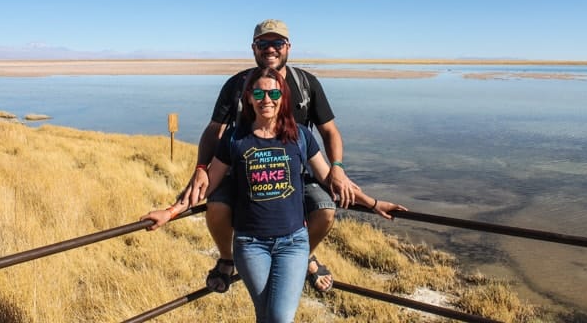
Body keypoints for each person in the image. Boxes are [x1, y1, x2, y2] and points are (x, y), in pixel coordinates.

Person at [142, 68, 408, 323]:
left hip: (293, 243)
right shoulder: (235, 138)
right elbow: (206, 186)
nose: (266, 100)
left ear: (284, 97)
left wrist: (373, 203)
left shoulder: (301, 136)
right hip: (250, 245)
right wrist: (169, 212)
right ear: (249, 98)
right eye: (258, 94)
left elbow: (330, 179)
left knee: (280, 317)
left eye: (273, 94)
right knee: (266, 315)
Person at [183, 19, 354, 293]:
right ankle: (227, 259)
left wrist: (337, 167)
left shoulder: (306, 83)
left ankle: (303, 255)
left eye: (277, 43)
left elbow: (330, 131)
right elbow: (214, 131)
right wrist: (202, 167)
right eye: (264, 44)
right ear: (254, 48)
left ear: (288, 47)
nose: (270, 49)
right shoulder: (238, 85)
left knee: (325, 209)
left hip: (294, 174)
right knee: (216, 207)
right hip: (241, 171)